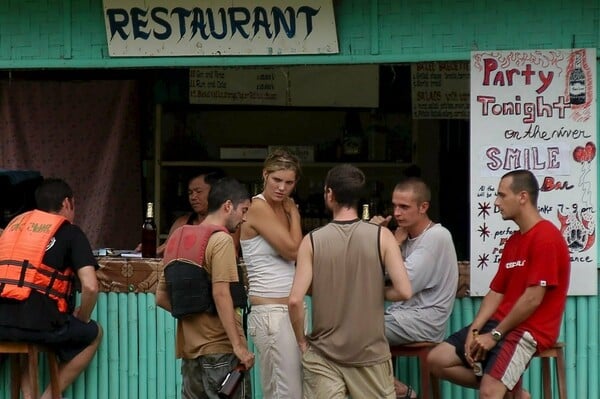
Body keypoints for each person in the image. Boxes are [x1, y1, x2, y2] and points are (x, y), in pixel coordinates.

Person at [427, 169, 571, 399]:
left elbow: (533, 298)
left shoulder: (546, 237)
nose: (496, 202)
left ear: (522, 197)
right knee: (437, 360)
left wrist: (493, 335)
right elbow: (496, 293)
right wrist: (475, 329)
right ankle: (511, 390)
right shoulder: (514, 240)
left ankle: (500, 388)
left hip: (528, 330)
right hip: (500, 325)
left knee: (488, 393)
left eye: (502, 195)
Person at [288, 164, 413, 399]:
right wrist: (375, 290)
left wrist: (302, 343)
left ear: (329, 193)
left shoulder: (312, 241)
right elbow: (405, 291)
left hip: (323, 355)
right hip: (370, 356)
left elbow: (295, 300)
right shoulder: (382, 236)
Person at [0, 178, 103, 399]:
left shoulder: (13, 227)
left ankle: (29, 396)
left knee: (26, 334)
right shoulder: (70, 232)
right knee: (94, 333)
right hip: (38, 325)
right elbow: (90, 286)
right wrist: (83, 317)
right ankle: (49, 397)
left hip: (2, 323)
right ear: (67, 203)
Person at [155, 177, 255, 399]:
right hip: (220, 350)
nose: (244, 218)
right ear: (228, 206)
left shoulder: (177, 239)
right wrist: (238, 346)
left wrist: (195, 314)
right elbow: (221, 293)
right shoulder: (221, 240)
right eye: (244, 210)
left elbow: (160, 298)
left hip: (190, 353)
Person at [370, 177, 458, 399]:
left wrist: (389, 244)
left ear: (423, 207)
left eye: (404, 207)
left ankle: (398, 389)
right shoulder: (406, 236)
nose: (397, 213)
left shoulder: (436, 236)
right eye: (395, 206)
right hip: (401, 317)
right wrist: (377, 240)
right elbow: (378, 276)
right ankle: (387, 386)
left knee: (353, 331)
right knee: (343, 330)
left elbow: (402, 285)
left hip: (423, 321)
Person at [239, 148, 303, 399]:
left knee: (290, 391)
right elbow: (293, 251)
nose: (282, 188)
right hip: (271, 314)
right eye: (277, 180)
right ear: (265, 175)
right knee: (284, 393)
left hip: (288, 311)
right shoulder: (257, 207)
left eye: (289, 182)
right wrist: (295, 214)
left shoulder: (281, 209)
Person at [136, 169, 225, 256]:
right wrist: (148, 251)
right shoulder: (182, 222)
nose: (193, 197)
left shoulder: (227, 223)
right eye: (190, 193)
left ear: (214, 193)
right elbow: (166, 249)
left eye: (198, 192)